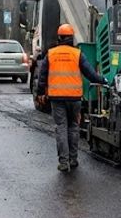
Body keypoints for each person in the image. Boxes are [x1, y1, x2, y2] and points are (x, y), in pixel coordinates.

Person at [35, 24, 107, 172]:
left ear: (59, 37)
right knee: (73, 127)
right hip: (74, 98)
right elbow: (90, 74)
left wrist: (40, 93)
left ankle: (64, 162)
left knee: (61, 127)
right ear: (71, 38)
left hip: (57, 98)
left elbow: (42, 76)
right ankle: (73, 159)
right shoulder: (77, 54)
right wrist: (103, 80)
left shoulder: (51, 54)